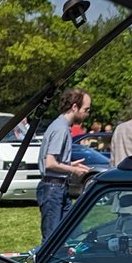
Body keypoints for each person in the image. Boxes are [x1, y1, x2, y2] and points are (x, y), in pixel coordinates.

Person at [36, 88, 92, 242]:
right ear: (74, 107)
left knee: (70, 234)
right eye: (86, 110)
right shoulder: (60, 128)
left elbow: (54, 161)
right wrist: (73, 169)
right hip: (53, 189)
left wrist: (71, 164)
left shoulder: (60, 126)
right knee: (51, 240)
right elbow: (50, 163)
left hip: (59, 188)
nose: (87, 114)